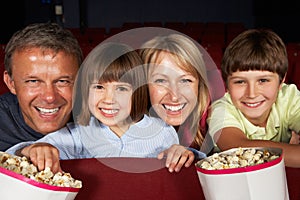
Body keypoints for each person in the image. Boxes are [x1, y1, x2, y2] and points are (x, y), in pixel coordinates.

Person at [7, 42, 179, 173]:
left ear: (138, 92)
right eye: (98, 87)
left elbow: (182, 168)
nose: (109, 99)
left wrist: (184, 154)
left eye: (121, 89)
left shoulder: (163, 131)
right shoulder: (77, 134)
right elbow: (15, 157)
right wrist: (31, 150)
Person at [206, 28, 300, 167]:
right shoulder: (221, 109)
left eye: (263, 81)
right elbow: (238, 148)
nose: (252, 94)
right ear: (227, 84)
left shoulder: (288, 96)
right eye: (240, 82)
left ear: (281, 81)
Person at [139, 33, 221, 170]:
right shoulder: (125, 121)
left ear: (198, 85)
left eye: (185, 80)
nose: (174, 96)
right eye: (161, 81)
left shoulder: (217, 115)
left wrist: (192, 156)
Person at [0, 22, 83, 151]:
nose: (49, 97)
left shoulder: (103, 120)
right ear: (11, 83)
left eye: (62, 81)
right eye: (33, 81)